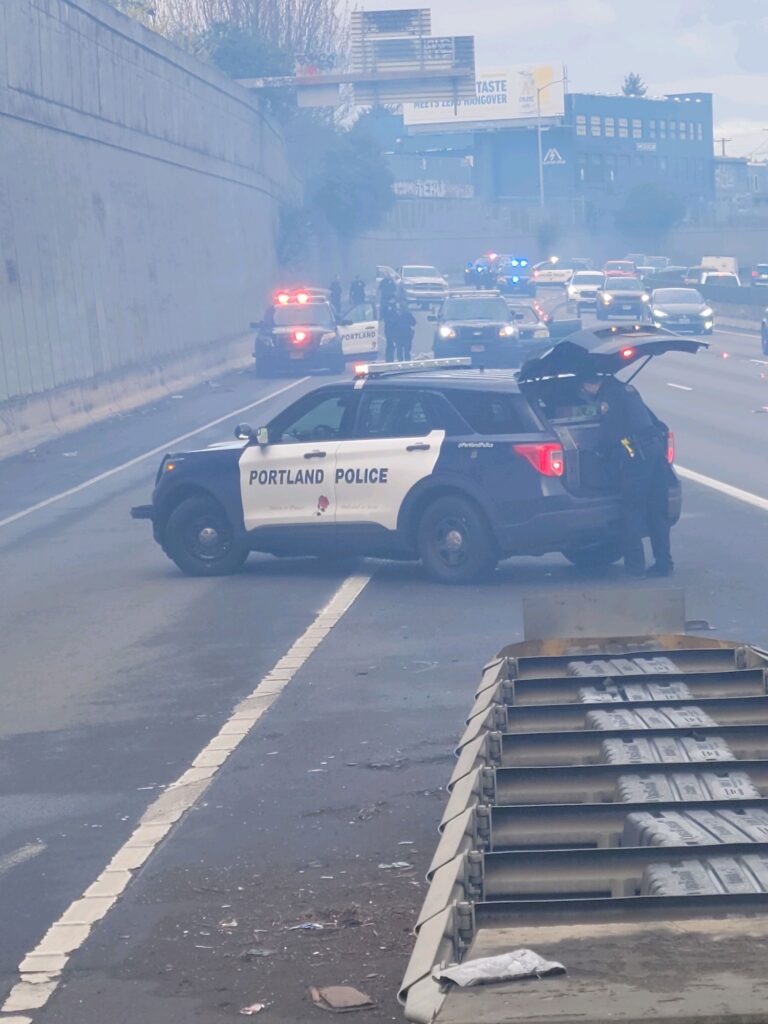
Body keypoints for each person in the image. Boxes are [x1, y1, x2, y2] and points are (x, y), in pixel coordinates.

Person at [579, 370, 674, 578]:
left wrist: (596, 453)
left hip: (636, 458)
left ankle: (635, 567)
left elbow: (609, 434)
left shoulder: (608, 397)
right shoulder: (627, 389)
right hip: (655, 452)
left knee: (631, 511)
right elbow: (653, 421)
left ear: (589, 386)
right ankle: (664, 563)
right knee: (657, 511)